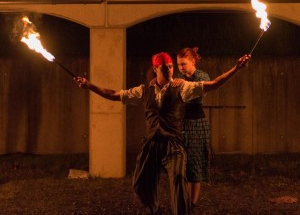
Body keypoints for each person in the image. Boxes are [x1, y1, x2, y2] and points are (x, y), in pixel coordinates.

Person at [74, 52, 251, 215]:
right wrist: (88, 85)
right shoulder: (143, 90)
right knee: (139, 184)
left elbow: (213, 85)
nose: (169, 69)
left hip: (173, 144)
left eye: (170, 66)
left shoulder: (182, 87)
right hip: (151, 144)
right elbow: (113, 94)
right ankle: (155, 209)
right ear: (155, 68)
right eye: (164, 66)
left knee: (179, 180)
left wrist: (236, 68)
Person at [176, 47, 211, 211]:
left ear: (193, 61)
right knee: (180, 163)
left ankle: (192, 203)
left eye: (183, 64)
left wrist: (183, 84)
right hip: (181, 123)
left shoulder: (202, 76)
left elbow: (197, 92)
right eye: (179, 65)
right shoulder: (178, 78)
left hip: (196, 123)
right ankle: (182, 199)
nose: (181, 68)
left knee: (195, 162)